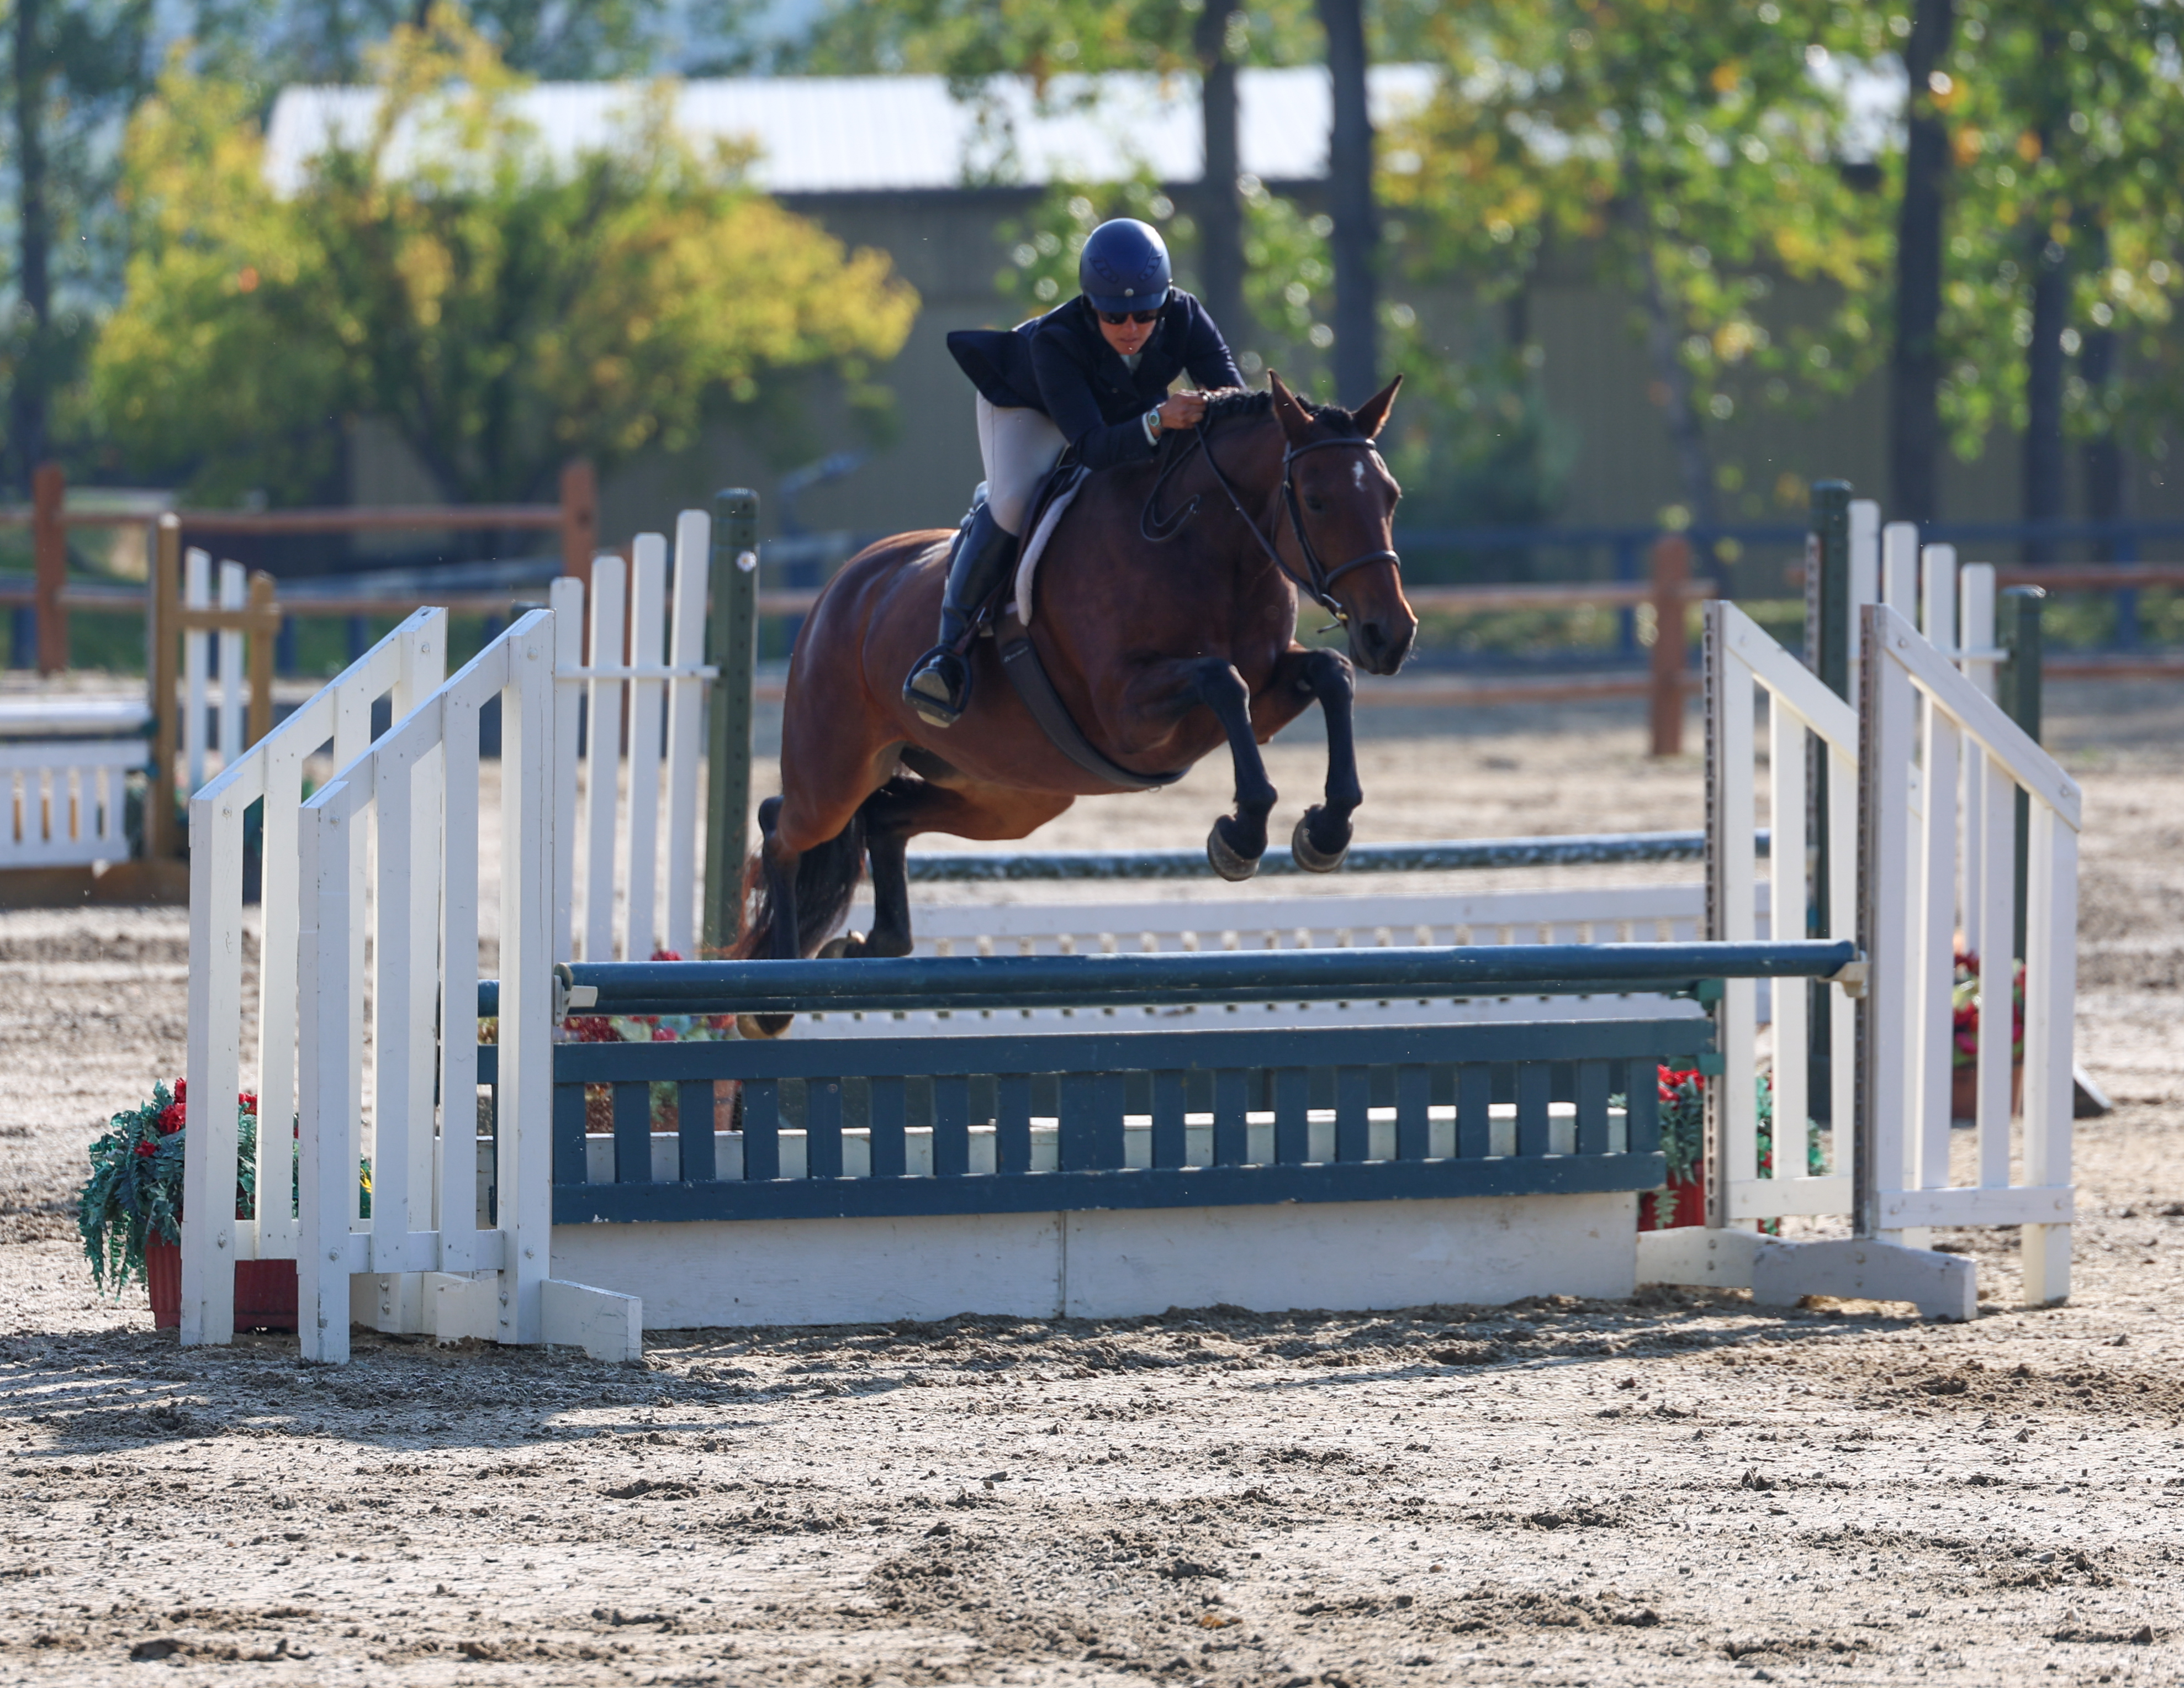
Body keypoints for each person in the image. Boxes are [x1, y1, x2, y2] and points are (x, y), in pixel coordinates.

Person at [904, 217, 1246, 727]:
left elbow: (1234, 400)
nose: (1130, 329)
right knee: (1014, 502)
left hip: (1122, 410)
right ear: (1091, 305)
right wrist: (1157, 419)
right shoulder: (1057, 341)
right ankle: (948, 653)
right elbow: (1089, 447)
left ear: (1166, 300)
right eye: (1114, 317)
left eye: (1145, 314)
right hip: (1029, 406)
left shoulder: (1186, 315)